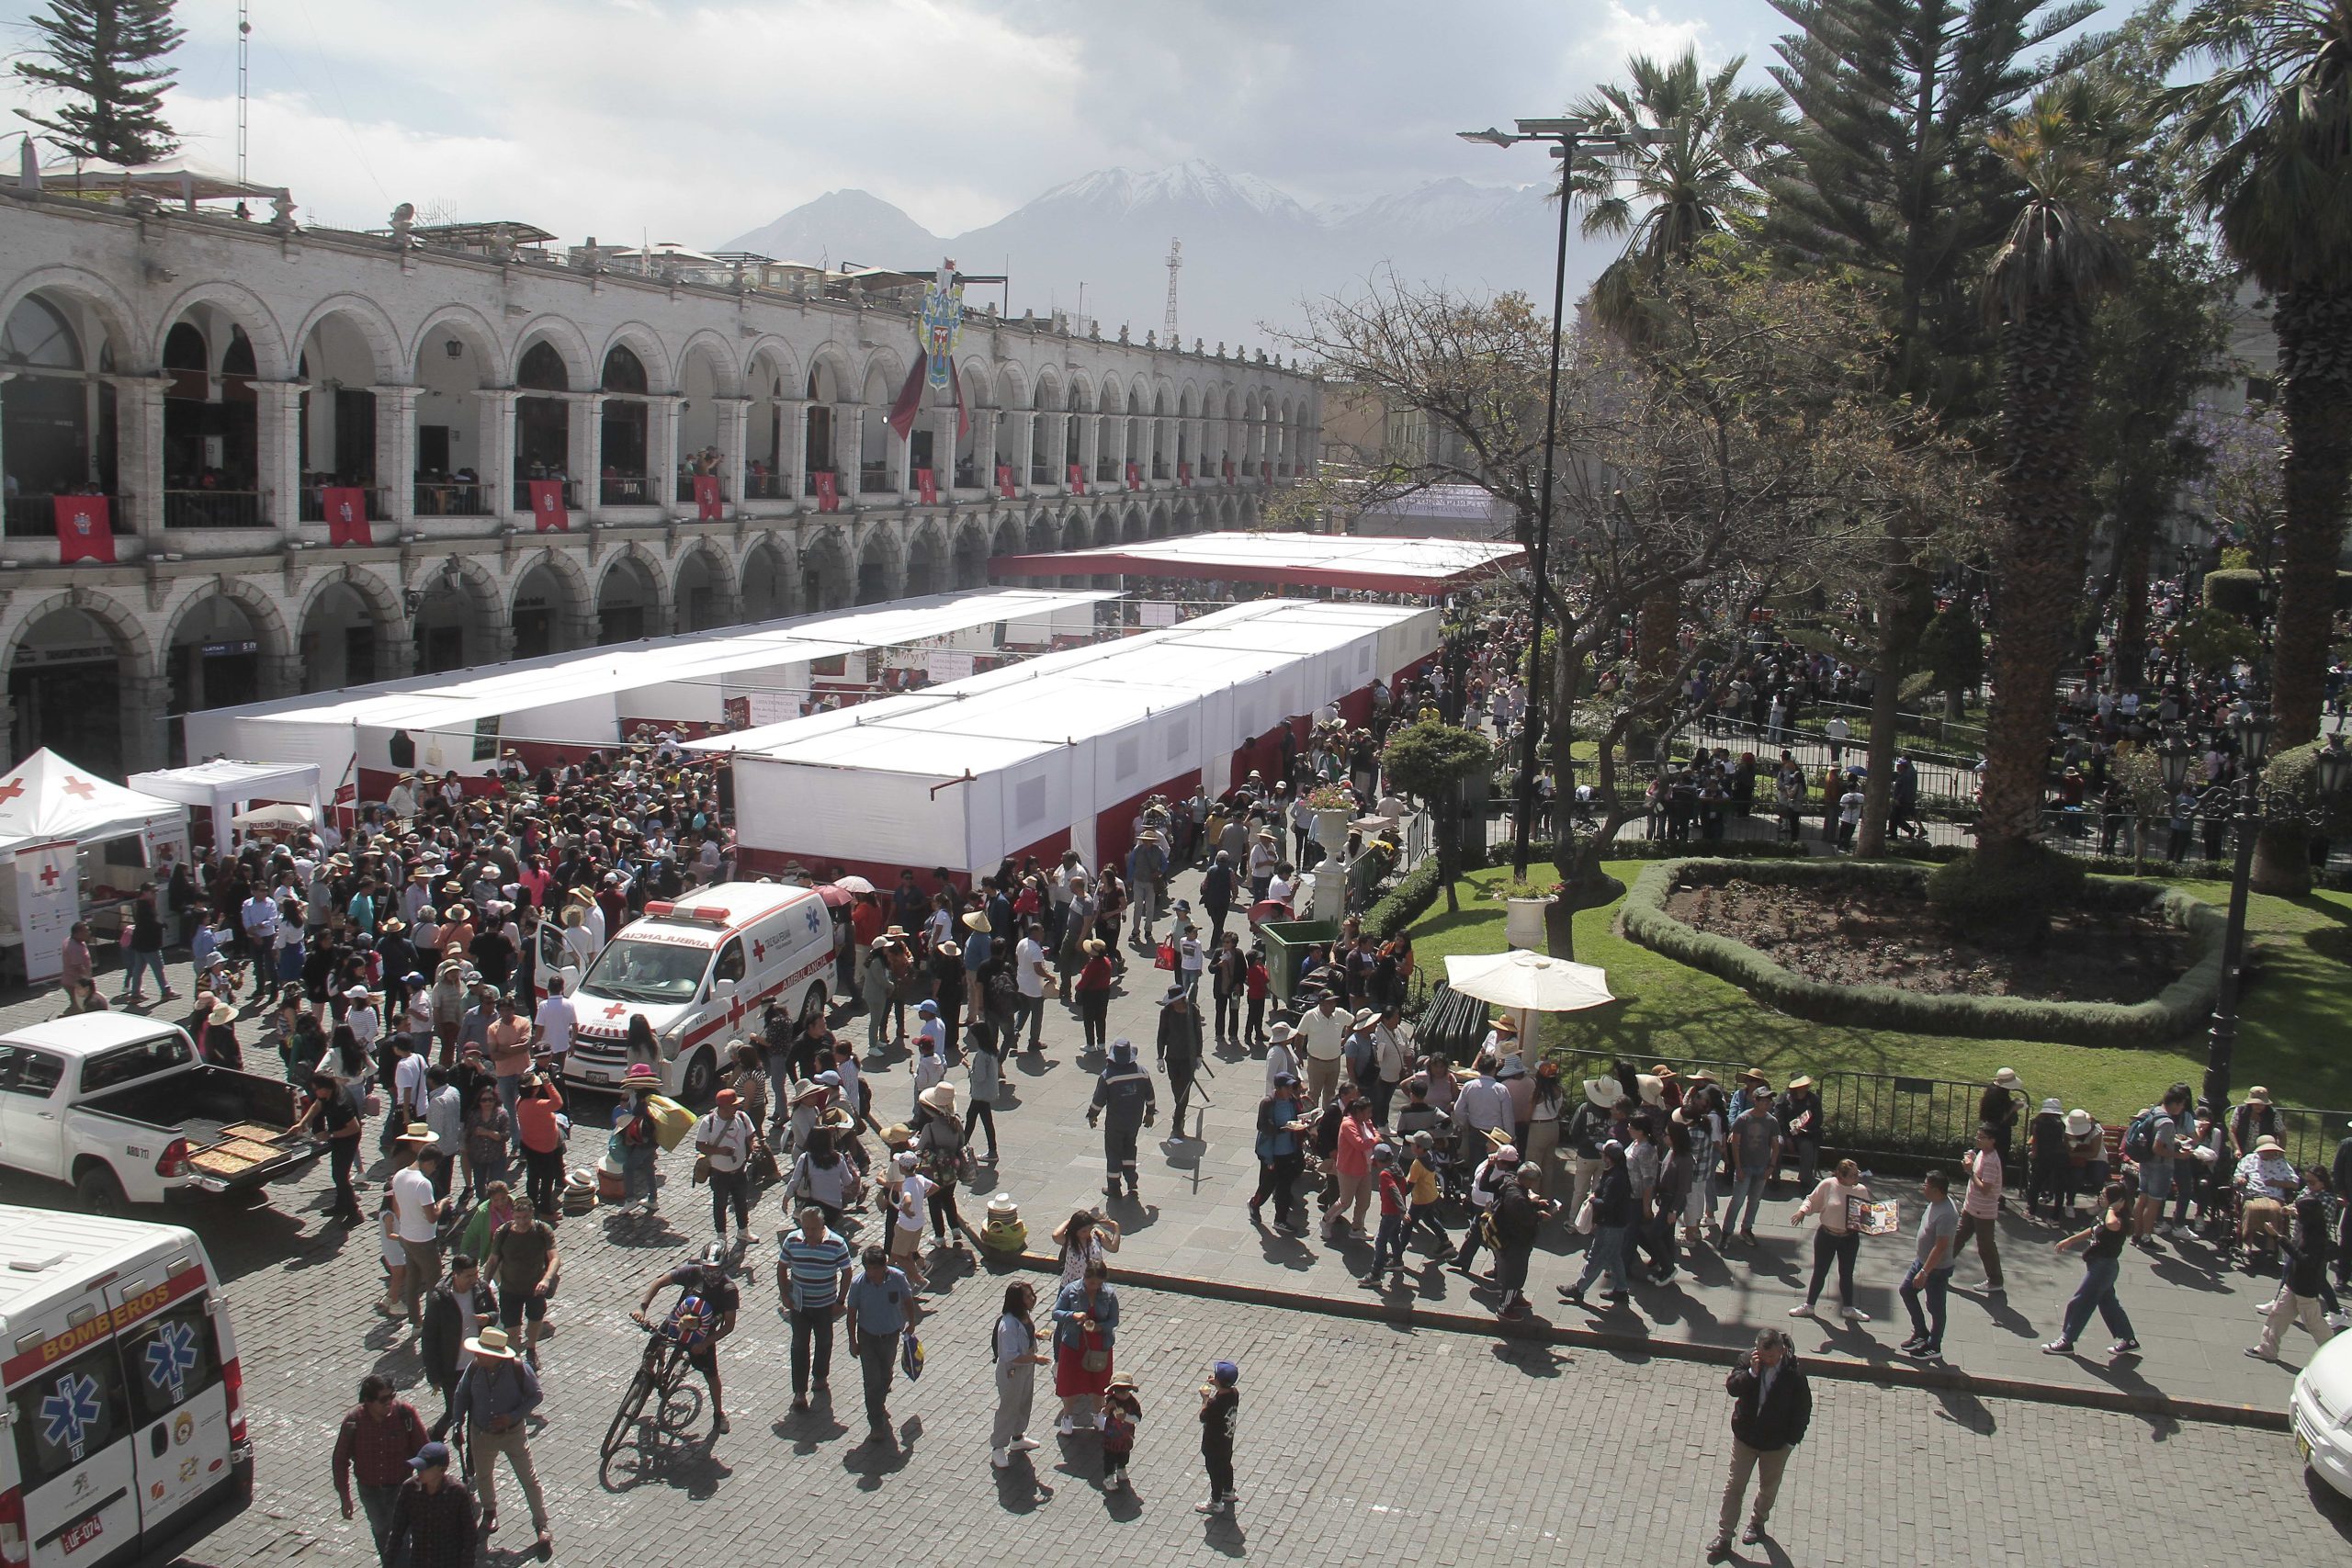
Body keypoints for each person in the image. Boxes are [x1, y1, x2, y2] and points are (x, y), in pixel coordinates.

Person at [1707, 1328, 1812, 1562]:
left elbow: (1802, 1410)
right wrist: (1752, 1374)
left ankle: (1757, 1522)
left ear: (1781, 1351)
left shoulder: (1793, 1374)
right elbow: (1733, 1387)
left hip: (1775, 1445)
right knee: (1734, 1486)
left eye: (1772, 1358)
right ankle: (1724, 1536)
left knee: (1768, 1487)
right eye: (1763, 1359)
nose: (1768, 1362)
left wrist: (1790, 1442)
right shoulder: (1748, 1361)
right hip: (1746, 1438)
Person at [445, 1325, 550, 1553]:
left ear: (495, 1355)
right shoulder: (474, 1369)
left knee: (528, 1478)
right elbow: (461, 1395)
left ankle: (541, 1524)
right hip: (481, 1432)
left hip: (512, 1434)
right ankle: (490, 1512)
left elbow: (536, 1396)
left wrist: (511, 1417)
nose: (477, 1355)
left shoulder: (518, 1369)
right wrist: (457, 1424)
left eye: (482, 1352)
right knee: (483, 1476)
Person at [632, 1242, 741, 1436]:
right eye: (706, 1266)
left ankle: (719, 1413)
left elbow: (729, 1325)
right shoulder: (692, 1272)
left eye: (714, 1268)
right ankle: (646, 1380)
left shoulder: (728, 1289)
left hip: (701, 1337)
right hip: (676, 1322)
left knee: (711, 1375)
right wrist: (643, 1306)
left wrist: (706, 1343)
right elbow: (660, 1282)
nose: (709, 1272)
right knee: (652, 1348)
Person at [334, 1374, 429, 1561]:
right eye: (383, 1399)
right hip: (370, 1491)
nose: (389, 1403)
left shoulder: (404, 1414)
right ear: (368, 1401)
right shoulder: (353, 1422)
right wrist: (345, 1497)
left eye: (392, 1396)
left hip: (401, 1488)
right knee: (381, 1532)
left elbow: (424, 1451)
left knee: (400, 1535)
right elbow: (340, 1460)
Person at [2041, 1180, 2140, 1359]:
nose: (2100, 1197)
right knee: (2109, 1304)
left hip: (2104, 1268)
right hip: (2098, 1265)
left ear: (2116, 1201)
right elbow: (2094, 1229)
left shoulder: (2120, 1219)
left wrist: (2112, 1208)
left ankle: (2066, 1341)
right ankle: (2129, 1340)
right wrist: (2070, 1240)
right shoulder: (2106, 1214)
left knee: (2080, 1302)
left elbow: (2111, 1225)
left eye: (2104, 1196)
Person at [2249, 1168, 2338, 1360]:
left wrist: (2279, 1238)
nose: (2297, 1214)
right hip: (2293, 1283)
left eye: (2300, 1212)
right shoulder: (2308, 1230)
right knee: (2277, 1316)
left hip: (2305, 1288)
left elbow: (2304, 1259)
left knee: (2314, 1323)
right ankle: (2267, 1349)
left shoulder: (2315, 1238)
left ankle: (2334, 1355)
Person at [777, 1204, 855, 1412]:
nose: (809, 1233)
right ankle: (799, 1392)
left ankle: (820, 1376)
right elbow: (782, 1266)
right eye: (806, 1228)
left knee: (824, 1342)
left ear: (822, 1225)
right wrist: (785, 1294)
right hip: (799, 1306)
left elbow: (847, 1272)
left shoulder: (837, 1243)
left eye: (813, 1228)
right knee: (799, 1346)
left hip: (824, 1305)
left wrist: (839, 1301)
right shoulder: (792, 1240)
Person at [842, 1245, 918, 1449]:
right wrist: (852, 1341)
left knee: (886, 1375)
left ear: (885, 1266)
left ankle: (879, 1403)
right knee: (871, 1381)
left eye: (877, 1268)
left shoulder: (897, 1278)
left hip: (891, 1335)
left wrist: (911, 1322)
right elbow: (852, 1314)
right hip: (867, 1337)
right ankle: (875, 1423)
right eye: (870, 1269)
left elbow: (907, 1299)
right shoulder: (859, 1284)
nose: (873, 1273)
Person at [1787, 1157, 1871, 1323]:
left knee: (1846, 1273)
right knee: (1820, 1271)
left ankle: (1848, 1308)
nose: (1857, 1177)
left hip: (1849, 1238)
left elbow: (1867, 1214)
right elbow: (1811, 1200)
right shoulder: (1828, 1185)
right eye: (1853, 1175)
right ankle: (1809, 1306)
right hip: (1827, 1236)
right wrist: (1802, 1211)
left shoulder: (1861, 1190)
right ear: (1841, 1176)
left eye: (1857, 1174)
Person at [419, 1254, 497, 1431]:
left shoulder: (482, 1289)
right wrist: (434, 1376)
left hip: (478, 1364)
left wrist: (488, 1318)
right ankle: (435, 1434)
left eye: (475, 1274)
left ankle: (473, 1455)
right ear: (456, 1274)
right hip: (452, 1369)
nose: (474, 1279)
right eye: (469, 1276)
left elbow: (495, 1313)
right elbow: (429, 1339)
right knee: (455, 1411)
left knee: (476, 1412)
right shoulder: (440, 1299)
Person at [483, 1198, 559, 1368]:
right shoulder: (503, 1232)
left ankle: (531, 1349)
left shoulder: (542, 1230)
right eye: (518, 1218)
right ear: (513, 1216)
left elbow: (554, 1258)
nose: (522, 1222)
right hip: (509, 1288)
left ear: (532, 1214)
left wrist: (546, 1279)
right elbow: (493, 1259)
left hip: (535, 1288)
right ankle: (516, 1360)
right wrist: (484, 1283)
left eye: (525, 1217)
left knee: (535, 1319)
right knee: (512, 1328)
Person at [380, 1439, 476, 1568]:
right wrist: (388, 1562)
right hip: (420, 1561)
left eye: (425, 1467)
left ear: (442, 1469)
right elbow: (397, 1530)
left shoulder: (457, 1493)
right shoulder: (409, 1489)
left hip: (449, 1561)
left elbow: (470, 1535)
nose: (419, 1471)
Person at [1561, 1142, 1634, 1307]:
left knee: (1598, 1257)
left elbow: (1607, 1204)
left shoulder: (1616, 1178)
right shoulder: (1616, 1172)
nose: (1601, 1155)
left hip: (1611, 1224)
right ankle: (1621, 1290)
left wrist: (1593, 1199)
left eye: (1603, 1153)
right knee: (1613, 1256)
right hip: (1612, 1223)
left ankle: (1579, 1289)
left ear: (1609, 1158)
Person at [1051, 1258, 1120, 1434]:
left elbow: (1114, 1320)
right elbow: (1056, 1313)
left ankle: (1098, 1415)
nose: (1094, 1286)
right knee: (1071, 1382)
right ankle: (1068, 1417)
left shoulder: (1109, 1294)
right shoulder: (1071, 1290)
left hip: (1099, 1345)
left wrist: (1101, 1327)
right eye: (1091, 1282)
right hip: (1075, 1344)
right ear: (1085, 1277)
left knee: (1099, 1383)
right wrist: (1073, 1315)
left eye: (1098, 1283)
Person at [1897, 1169, 1960, 1359]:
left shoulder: (1947, 1213)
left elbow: (1941, 1246)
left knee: (1936, 1307)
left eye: (1925, 1185)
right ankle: (1921, 1333)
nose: (1922, 1188)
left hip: (1936, 1269)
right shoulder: (1934, 1203)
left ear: (1936, 1190)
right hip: (1922, 1262)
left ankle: (1934, 1346)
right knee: (1906, 1290)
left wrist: (1924, 1272)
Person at [389, 1124, 447, 1325]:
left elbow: (396, 1207)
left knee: (412, 1283)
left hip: (406, 1235)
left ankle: (416, 1322)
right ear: (429, 1162)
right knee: (434, 1281)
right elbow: (432, 1217)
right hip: (423, 1239)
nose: (434, 1171)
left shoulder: (400, 1175)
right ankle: (432, 1321)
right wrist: (442, 1205)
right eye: (435, 1166)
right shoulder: (423, 1184)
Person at [292, 1070, 365, 1224]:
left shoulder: (341, 1103)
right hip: (338, 1136)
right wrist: (302, 1123)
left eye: (317, 1089)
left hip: (347, 1139)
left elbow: (354, 1127)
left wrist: (330, 1134)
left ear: (326, 1088)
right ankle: (340, 1205)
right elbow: (317, 1106)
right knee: (337, 1173)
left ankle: (354, 1212)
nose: (315, 1092)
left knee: (340, 1176)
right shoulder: (326, 1094)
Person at [1088, 1037, 1157, 1201]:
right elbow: (1150, 1096)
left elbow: (1099, 1100)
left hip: (1115, 1123)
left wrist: (1092, 1116)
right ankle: (1131, 1180)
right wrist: (1150, 1113)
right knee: (1129, 1148)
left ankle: (1114, 1188)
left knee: (1113, 1153)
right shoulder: (1142, 1072)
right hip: (1134, 1121)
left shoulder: (1108, 1076)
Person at [694, 1089, 756, 1247]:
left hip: (739, 1170)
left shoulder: (742, 1117)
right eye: (733, 1105)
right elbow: (700, 1145)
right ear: (723, 1107)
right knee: (720, 1203)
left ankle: (743, 1231)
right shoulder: (709, 1123)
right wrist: (720, 1151)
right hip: (719, 1173)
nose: (737, 1107)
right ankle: (721, 1235)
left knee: (741, 1201)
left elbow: (750, 1136)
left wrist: (754, 1146)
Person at [1957, 1123, 2007, 1292]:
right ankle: (1940, 1267)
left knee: (1985, 1245)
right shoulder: (1983, 1154)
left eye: (1981, 1137)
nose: (1978, 1140)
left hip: (1983, 1211)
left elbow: (1986, 1189)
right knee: (1958, 1237)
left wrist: (1971, 1172)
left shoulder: (1992, 1161)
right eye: (1977, 1136)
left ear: (1992, 1141)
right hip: (1971, 1206)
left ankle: (1995, 1280)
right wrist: (1970, 1158)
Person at [1196, 1359, 1241, 1517]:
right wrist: (1216, 1384)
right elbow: (1224, 1391)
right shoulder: (1234, 1393)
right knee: (1226, 1465)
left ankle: (1215, 1502)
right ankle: (1228, 1490)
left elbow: (1203, 1416)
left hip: (1213, 1444)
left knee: (1214, 1472)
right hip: (1226, 1441)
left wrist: (1205, 1398)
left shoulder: (1214, 1403)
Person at [1157, 987, 1204, 1134]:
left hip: (1188, 1058)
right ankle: (1179, 1111)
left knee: (1185, 1088)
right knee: (1176, 1087)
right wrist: (1160, 1057)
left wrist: (1198, 1055)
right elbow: (1162, 1034)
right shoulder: (1166, 1012)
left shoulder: (1193, 1011)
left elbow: (1198, 1033)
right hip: (1172, 1057)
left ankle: (1178, 1122)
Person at [1098, 1371, 1142, 1492]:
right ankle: (1108, 1477)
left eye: (1125, 1391)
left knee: (1124, 1456)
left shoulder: (1132, 1403)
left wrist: (1126, 1417)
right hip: (1110, 1438)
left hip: (1125, 1437)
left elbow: (1137, 1418)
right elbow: (1104, 1414)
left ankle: (1121, 1468)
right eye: (1118, 1391)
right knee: (1109, 1459)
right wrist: (1108, 1407)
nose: (1122, 1394)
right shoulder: (1111, 1400)